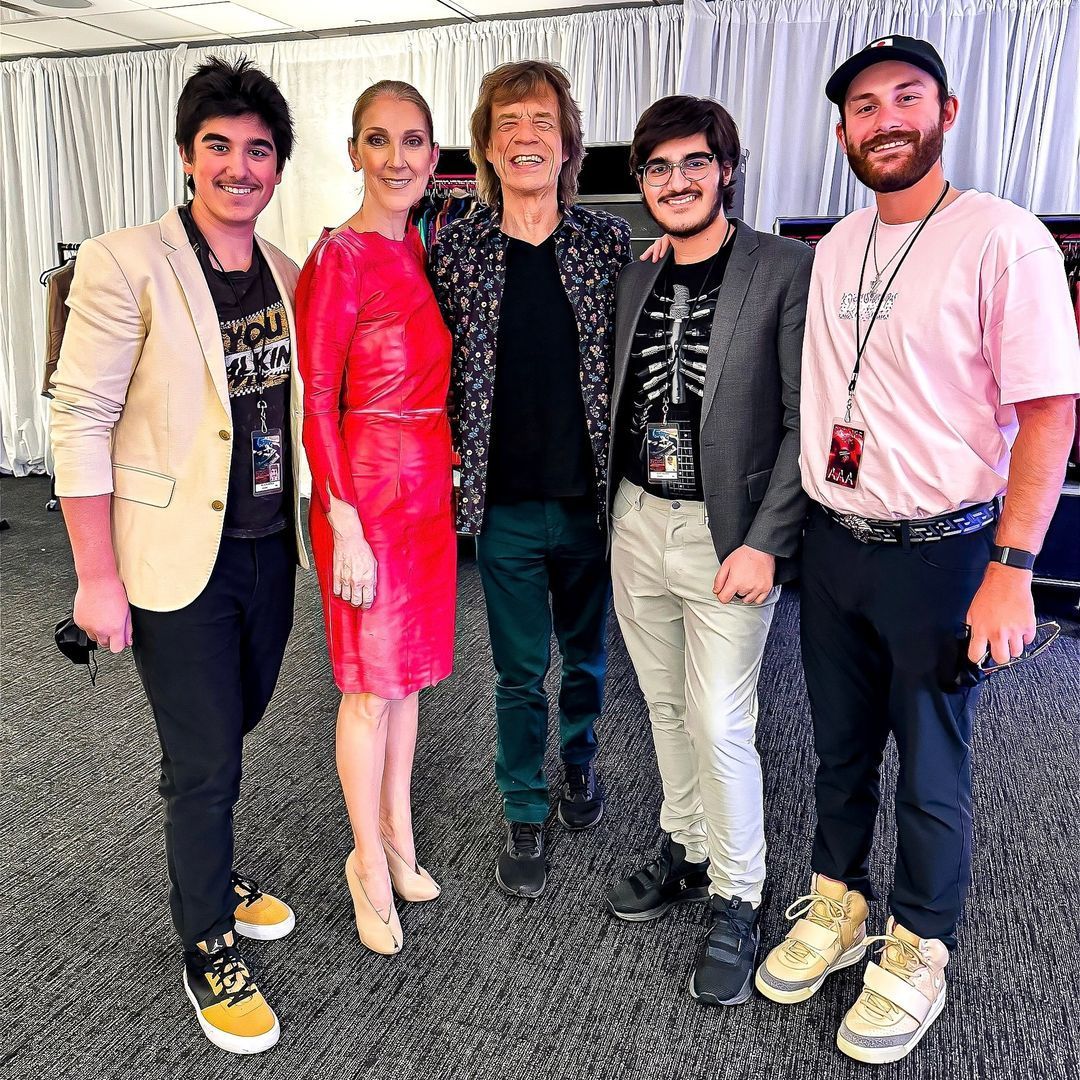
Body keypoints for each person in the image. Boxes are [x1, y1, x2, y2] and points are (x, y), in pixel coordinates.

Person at [755, 37, 1080, 1064]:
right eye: (863, 106)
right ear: (842, 131)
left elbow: (1050, 411)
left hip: (944, 555)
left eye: (906, 98)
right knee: (839, 748)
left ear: (946, 113)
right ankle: (839, 903)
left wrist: (1013, 570)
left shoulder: (1004, 239)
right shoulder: (838, 245)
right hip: (835, 543)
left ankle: (921, 943)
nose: (884, 119)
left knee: (932, 762)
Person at [50, 57, 305, 1055]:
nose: (239, 167)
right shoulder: (125, 261)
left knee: (236, 722)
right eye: (219, 147)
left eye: (258, 150)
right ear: (188, 156)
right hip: (172, 554)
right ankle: (206, 941)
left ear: (277, 164)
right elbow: (81, 419)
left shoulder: (285, 270)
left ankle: (212, 868)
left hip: (268, 546)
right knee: (203, 762)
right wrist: (95, 576)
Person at [602, 95, 812, 1005]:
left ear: (727, 169)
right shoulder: (636, 274)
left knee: (721, 720)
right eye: (658, 167)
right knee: (661, 704)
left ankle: (740, 892)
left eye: (695, 162)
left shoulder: (785, 267)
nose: (676, 181)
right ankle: (686, 846)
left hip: (727, 535)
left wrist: (768, 542)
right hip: (636, 517)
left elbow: (807, 421)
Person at [431, 60, 631, 898]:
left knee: (586, 658)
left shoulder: (607, 245)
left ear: (567, 145)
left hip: (591, 503)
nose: (525, 136)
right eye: (507, 122)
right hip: (504, 505)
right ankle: (523, 802)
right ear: (486, 146)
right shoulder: (456, 252)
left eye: (542, 121)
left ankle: (579, 760)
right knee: (518, 673)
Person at [295, 82, 454, 956]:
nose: (397, 158)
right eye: (379, 140)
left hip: (424, 488)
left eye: (413, 141)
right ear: (354, 151)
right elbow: (317, 400)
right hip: (365, 492)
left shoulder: (420, 245)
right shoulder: (341, 256)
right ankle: (364, 860)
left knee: (409, 681)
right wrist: (344, 519)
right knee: (368, 689)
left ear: (434, 155)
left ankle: (398, 834)